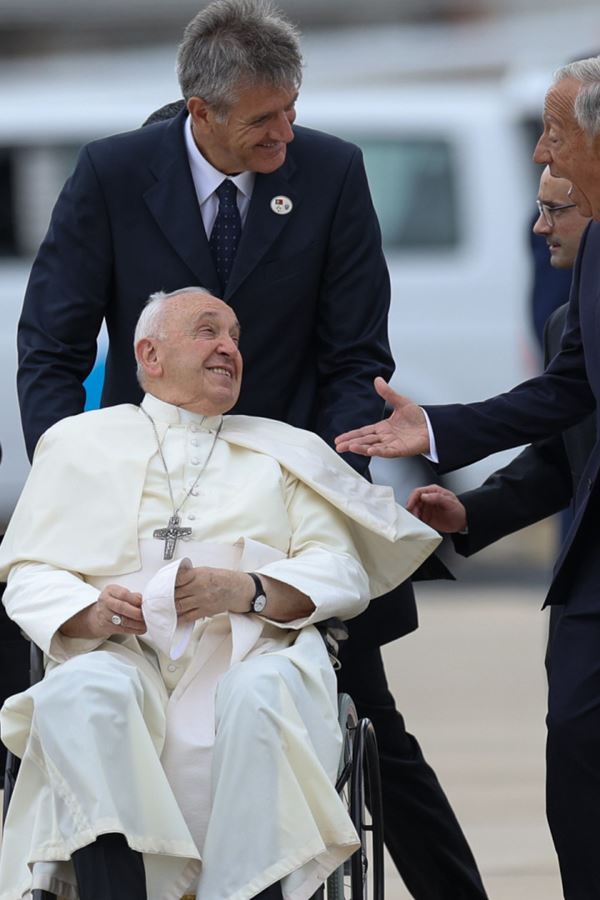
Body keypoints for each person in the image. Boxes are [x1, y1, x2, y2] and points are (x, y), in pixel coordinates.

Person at [14, 2, 488, 897]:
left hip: (281, 488)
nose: (287, 132)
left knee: (367, 720)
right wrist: (74, 471)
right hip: (139, 487)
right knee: (65, 685)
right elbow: (52, 345)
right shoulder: (114, 173)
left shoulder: (332, 173)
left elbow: (356, 356)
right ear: (202, 110)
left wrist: (321, 485)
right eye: (264, 118)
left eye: (293, 109)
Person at [0, 288, 440, 900]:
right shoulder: (77, 443)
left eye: (235, 336)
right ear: (150, 354)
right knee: (83, 693)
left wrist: (249, 589)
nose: (229, 348)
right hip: (122, 651)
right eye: (208, 331)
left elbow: (340, 570)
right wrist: (91, 611)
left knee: (262, 697)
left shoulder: (283, 452)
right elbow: (28, 573)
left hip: (250, 651)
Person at [335, 55, 600, 899]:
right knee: (580, 787)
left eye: (554, 138)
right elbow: (564, 432)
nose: (539, 158)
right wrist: (469, 509)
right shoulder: (579, 298)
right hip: (593, 595)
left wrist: (440, 428)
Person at [404, 167, 593, 560]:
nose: (540, 227)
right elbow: (563, 453)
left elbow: (555, 398)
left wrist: (437, 428)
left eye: (554, 209)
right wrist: (474, 510)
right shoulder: (565, 323)